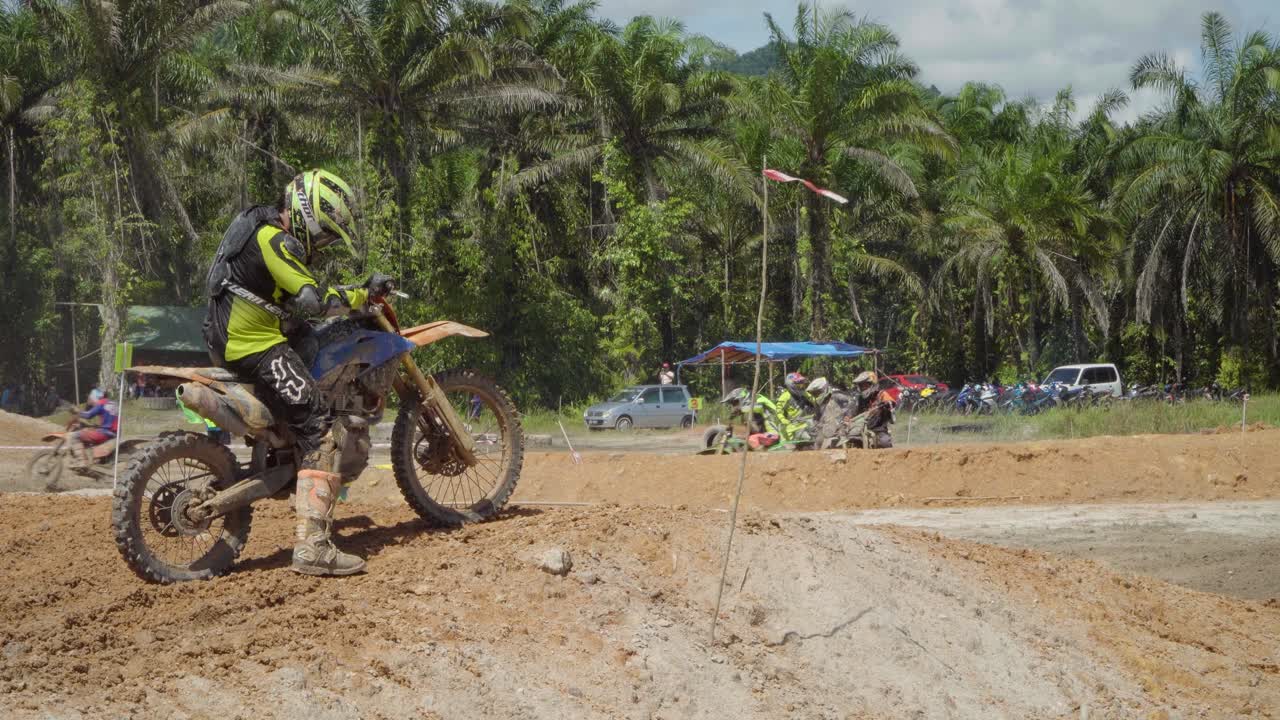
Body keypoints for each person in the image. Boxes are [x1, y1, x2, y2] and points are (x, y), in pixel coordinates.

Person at [203, 168, 391, 577]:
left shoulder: (254, 225)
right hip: (254, 345)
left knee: (310, 360)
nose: (321, 245)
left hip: (236, 336)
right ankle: (313, 548)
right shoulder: (275, 239)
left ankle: (288, 456)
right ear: (308, 214)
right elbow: (313, 299)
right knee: (320, 427)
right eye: (322, 234)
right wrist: (362, 293)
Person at [68, 388, 119, 468]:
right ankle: (94, 459)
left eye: (91, 399)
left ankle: (82, 462)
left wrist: (77, 411)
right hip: (115, 433)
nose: (90, 401)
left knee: (75, 436)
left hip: (105, 433)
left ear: (95, 397)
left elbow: (88, 415)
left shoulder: (101, 403)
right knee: (91, 431)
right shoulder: (113, 403)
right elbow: (110, 420)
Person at [849, 371, 896, 448]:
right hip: (861, 427)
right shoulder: (860, 399)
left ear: (872, 384)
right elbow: (853, 411)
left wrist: (887, 404)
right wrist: (848, 417)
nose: (862, 388)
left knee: (884, 442)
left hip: (878, 428)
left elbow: (891, 402)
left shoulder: (881, 394)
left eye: (864, 385)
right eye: (860, 386)